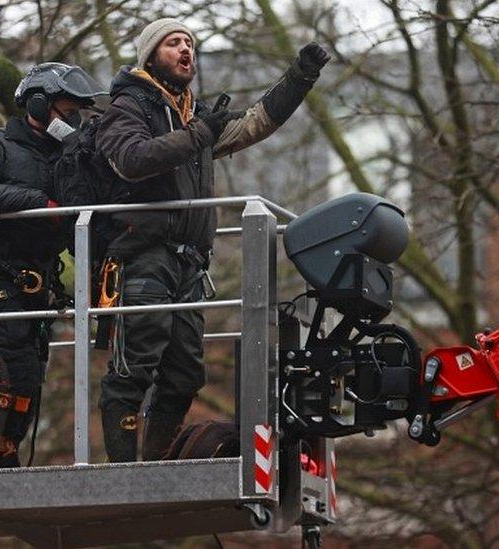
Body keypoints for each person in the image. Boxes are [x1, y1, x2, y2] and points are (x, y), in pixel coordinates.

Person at [96, 18, 331, 462]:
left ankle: (154, 466)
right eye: (173, 43)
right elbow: (130, 160)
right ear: (150, 55)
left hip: (189, 263)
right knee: (134, 366)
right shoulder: (128, 106)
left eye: (190, 43)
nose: (186, 50)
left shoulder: (193, 116)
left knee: (185, 374)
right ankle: (122, 470)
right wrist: (199, 134)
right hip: (145, 255)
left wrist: (299, 78)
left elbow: (254, 124)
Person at [0, 62, 106, 468]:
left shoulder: (69, 159)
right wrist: (39, 204)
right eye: (66, 109)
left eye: (78, 112)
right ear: (38, 103)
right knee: (14, 369)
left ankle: (5, 453)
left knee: (32, 376)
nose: (73, 119)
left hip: (39, 282)